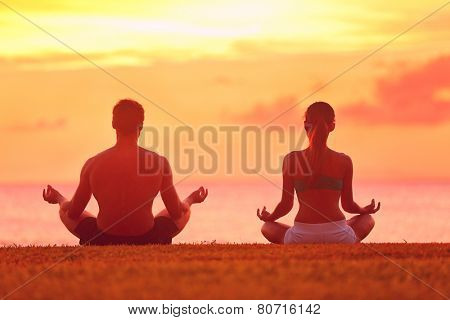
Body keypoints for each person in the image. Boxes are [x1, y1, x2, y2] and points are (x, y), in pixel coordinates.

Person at [43, 99, 208, 245]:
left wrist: (58, 198)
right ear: (141, 126)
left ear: (113, 124)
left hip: (101, 239)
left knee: (63, 211)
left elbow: (73, 213)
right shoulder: (158, 163)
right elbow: (176, 212)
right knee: (184, 210)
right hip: (148, 238)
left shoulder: (93, 164)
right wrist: (191, 199)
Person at [257, 101, 380, 244]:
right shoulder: (344, 161)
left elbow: (286, 205)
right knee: (367, 219)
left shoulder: (291, 160)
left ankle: (304, 234)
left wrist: (270, 217)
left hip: (301, 236)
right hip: (339, 235)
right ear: (332, 126)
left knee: (267, 227)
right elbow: (348, 205)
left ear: (305, 125)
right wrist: (364, 210)